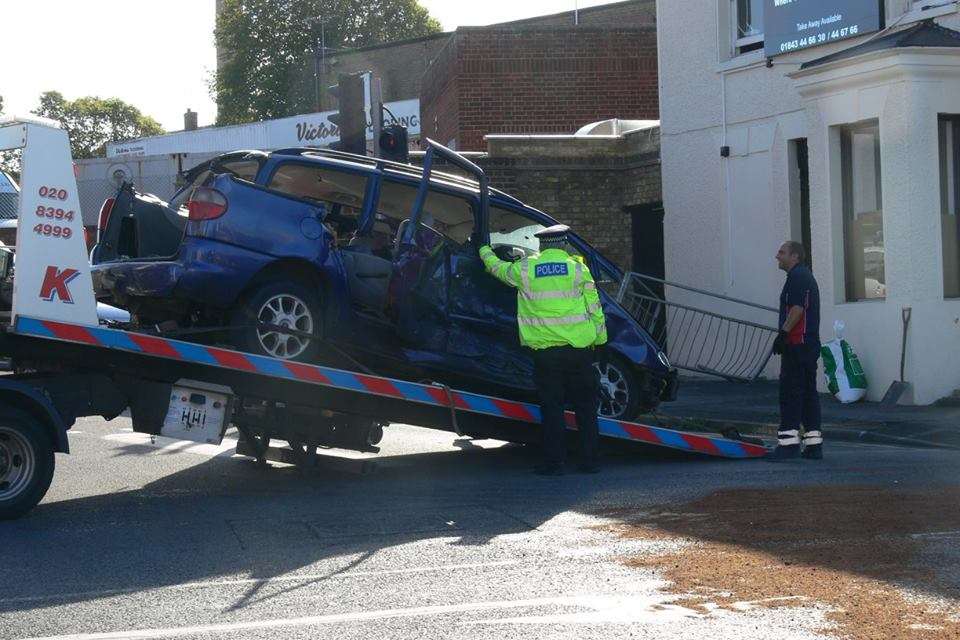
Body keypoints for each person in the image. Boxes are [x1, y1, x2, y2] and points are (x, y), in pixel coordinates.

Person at [478, 225, 608, 475]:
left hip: (546, 355)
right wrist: (601, 341)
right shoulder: (578, 269)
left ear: (541, 245)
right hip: (580, 351)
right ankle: (590, 461)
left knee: (552, 409)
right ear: (564, 245)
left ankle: (554, 463)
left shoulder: (526, 268)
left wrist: (484, 249)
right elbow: (595, 308)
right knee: (586, 408)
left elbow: (498, 269)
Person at [770, 241, 823, 460]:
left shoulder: (798, 277)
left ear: (795, 257)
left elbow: (797, 309)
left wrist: (783, 334)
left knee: (791, 393)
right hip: (807, 345)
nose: (777, 256)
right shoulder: (803, 276)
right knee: (808, 394)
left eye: (781, 252)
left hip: (798, 344)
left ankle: (788, 446)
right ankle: (813, 445)